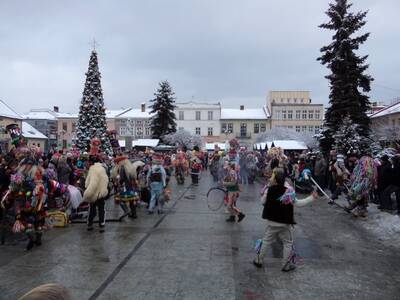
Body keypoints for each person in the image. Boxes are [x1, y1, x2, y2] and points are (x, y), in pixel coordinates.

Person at [254, 168, 318, 272]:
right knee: (288, 243)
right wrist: (311, 198)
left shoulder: (269, 189)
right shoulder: (289, 190)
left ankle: (258, 260)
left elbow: (262, 202)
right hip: (284, 222)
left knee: (266, 240)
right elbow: (298, 203)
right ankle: (285, 265)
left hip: (272, 221)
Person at [84, 156, 110, 233]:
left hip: (94, 193)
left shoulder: (92, 170)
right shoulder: (102, 169)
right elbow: (106, 180)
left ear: (91, 162)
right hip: (101, 193)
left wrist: (87, 191)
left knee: (92, 209)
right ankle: (101, 224)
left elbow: (91, 183)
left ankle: (90, 224)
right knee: (101, 209)